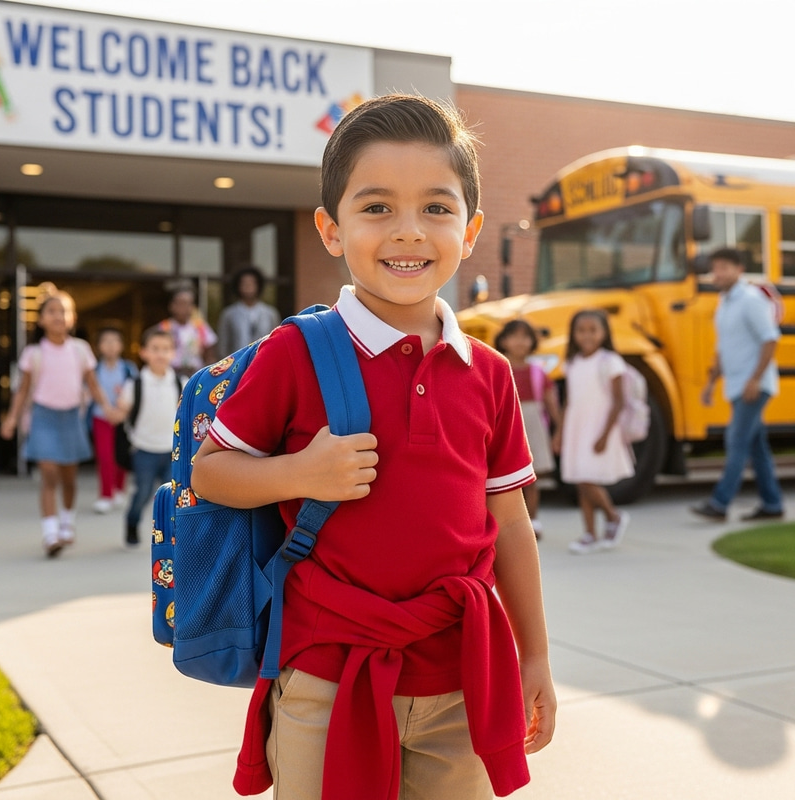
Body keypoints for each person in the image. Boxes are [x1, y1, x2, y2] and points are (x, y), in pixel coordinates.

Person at [191, 94, 556, 800]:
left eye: (437, 209)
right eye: (378, 208)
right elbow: (211, 475)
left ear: (472, 228)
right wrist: (301, 472)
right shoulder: (295, 352)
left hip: (460, 678)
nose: (409, 233)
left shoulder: (489, 373)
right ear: (331, 229)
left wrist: (533, 653)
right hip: (327, 678)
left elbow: (510, 522)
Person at [0, 290, 118, 556]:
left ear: (72, 318)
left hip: (70, 417)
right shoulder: (33, 353)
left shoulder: (80, 349)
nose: (58, 316)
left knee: (69, 477)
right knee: (49, 473)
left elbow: (93, 384)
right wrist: (11, 419)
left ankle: (67, 522)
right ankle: (50, 532)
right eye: (52, 311)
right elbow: (22, 390)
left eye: (63, 311)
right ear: (40, 320)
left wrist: (107, 408)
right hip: (43, 417)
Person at [690, 247, 784, 522]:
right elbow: (723, 348)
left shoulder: (751, 300)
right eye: (714, 268)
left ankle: (719, 503)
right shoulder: (724, 303)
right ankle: (772, 504)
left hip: (753, 385)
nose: (717, 274)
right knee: (757, 448)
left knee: (736, 441)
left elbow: (770, 339)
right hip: (736, 385)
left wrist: (755, 379)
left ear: (739, 269)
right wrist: (710, 384)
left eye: (723, 268)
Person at [553, 309, 632, 554]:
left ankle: (613, 516)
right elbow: (569, 401)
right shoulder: (572, 363)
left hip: (598, 427)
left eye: (593, 330)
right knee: (579, 480)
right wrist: (560, 432)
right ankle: (589, 533)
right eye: (581, 330)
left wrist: (605, 435)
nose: (587, 335)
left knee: (586, 479)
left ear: (604, 332)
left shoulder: (610, 362)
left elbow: (619, 402)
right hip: (577, 428)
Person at [495, 318, 561, 539]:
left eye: (525, 337)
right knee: (505, 479)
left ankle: (532, 521)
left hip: (532, 427)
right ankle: (507, 523)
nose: (520, 342)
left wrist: (559, 431)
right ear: (503, 340)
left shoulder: (537, 373)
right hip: (505, 425)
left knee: (532, 479)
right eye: (514, 336)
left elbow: (552, 404)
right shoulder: (497, 368)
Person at [116, 326, 182, 546]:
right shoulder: (135, 383)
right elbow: (121, 412)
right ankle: (132, 522)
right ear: (143, 352)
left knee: (170, 498)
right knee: (143, 492)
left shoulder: (181, 383)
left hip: (173, 450)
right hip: (144, 449)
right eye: (155, 349)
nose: (160, 354)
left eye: (166, 349)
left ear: (173, 353)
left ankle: (167, 537)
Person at [90, 327, 138, 514]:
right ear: (99, 346)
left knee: (121, 454)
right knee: (104, 456)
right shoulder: (94, 369)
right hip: (101, 416)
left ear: (121, 345)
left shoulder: (128, 368)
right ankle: (106, 495)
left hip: (122, 417)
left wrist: (122, 412)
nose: (110, 346)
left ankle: (119, 488)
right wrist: (107, 409)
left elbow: (134, 391)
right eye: (105, 341)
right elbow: (90, 390)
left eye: (114, 341)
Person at [217, 265, 281, 357]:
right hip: (237, 366)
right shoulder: (229, 314)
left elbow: (277, 343)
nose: (248, 286)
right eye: (244, 283)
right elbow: (222, 346)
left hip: (264, 363)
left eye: (252, 283)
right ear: (238, 286)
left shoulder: (270, 313)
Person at [159, 284, 218, 377]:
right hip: (170, 375)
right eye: (181, 303)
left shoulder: (200, 327)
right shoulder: (164, 327)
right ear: (172, 306)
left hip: (195, 375)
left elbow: (210, 353)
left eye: (188, 304)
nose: (184, 308)